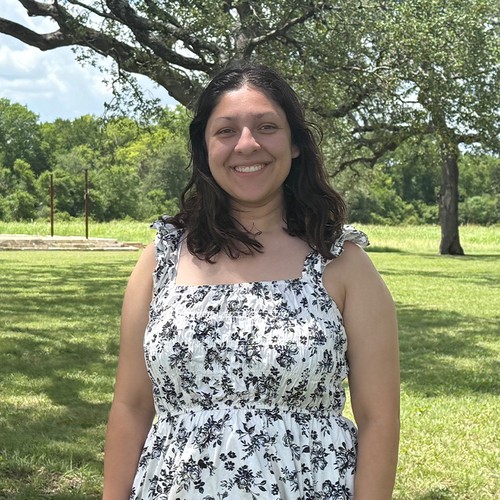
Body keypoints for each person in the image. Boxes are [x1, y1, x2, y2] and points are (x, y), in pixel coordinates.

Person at [103, 62, 400, 500]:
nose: (247, 144)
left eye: (266, 127)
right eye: (226, 131)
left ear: (295, 144)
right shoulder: (161, 260)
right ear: (204, 147)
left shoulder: (341, 263)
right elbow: (131, 406)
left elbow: (379, 420)